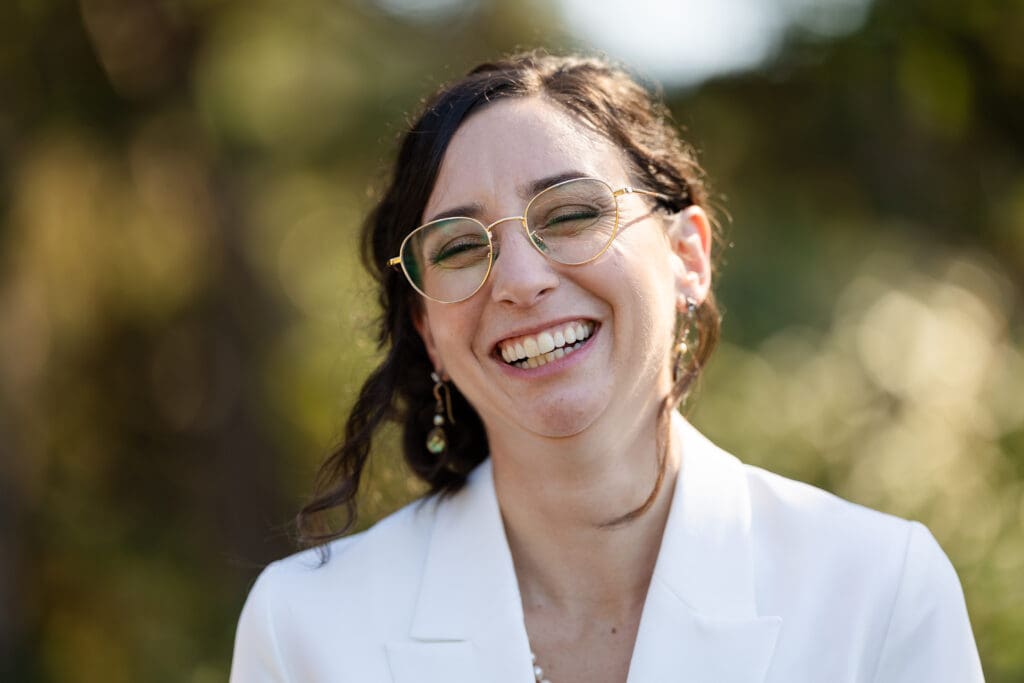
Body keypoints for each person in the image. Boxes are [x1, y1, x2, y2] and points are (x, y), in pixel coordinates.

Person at [229, 51, 984, 683]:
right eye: (460, 246)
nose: (520, 279)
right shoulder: (305, 630)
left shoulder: (881, 589)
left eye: (570, 214)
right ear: (427, 328)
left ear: (688, 255)